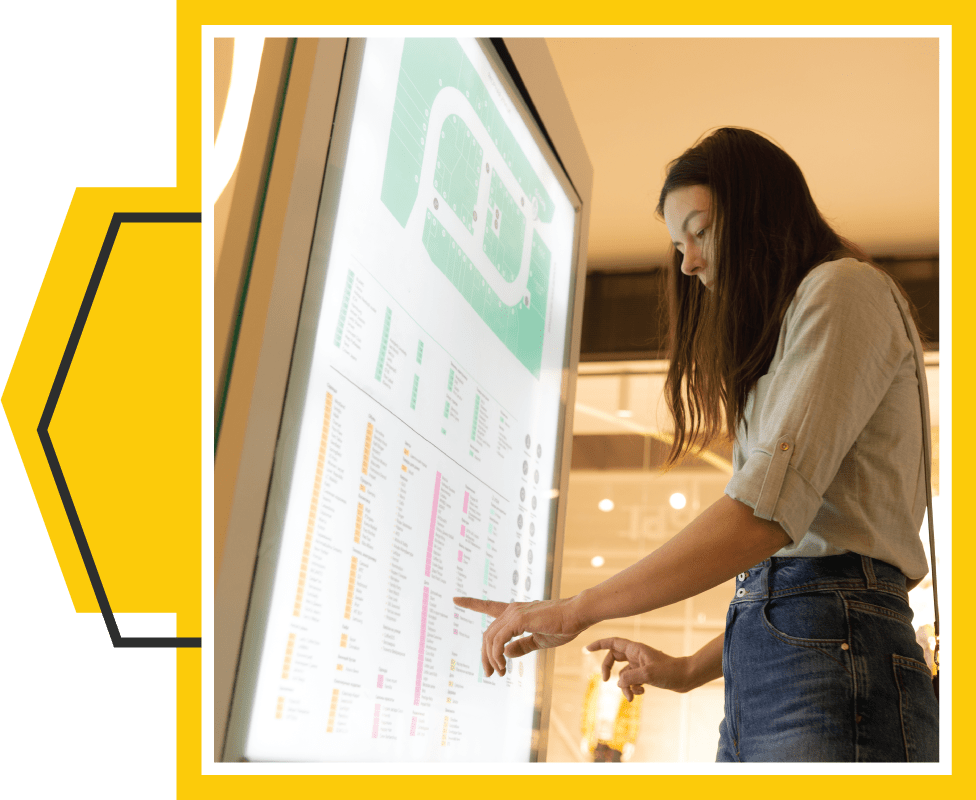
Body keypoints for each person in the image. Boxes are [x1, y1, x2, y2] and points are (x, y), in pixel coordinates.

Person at [454, 127, 939, 762]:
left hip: (831, 656)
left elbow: (770, 525)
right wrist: (686, 669)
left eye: (700, 231)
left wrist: (576, 610)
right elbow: (800, 577)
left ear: (760, 215)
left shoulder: (842, 289)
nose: (687, 263)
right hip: (790, 656)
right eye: (678, 244)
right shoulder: (806, 318)